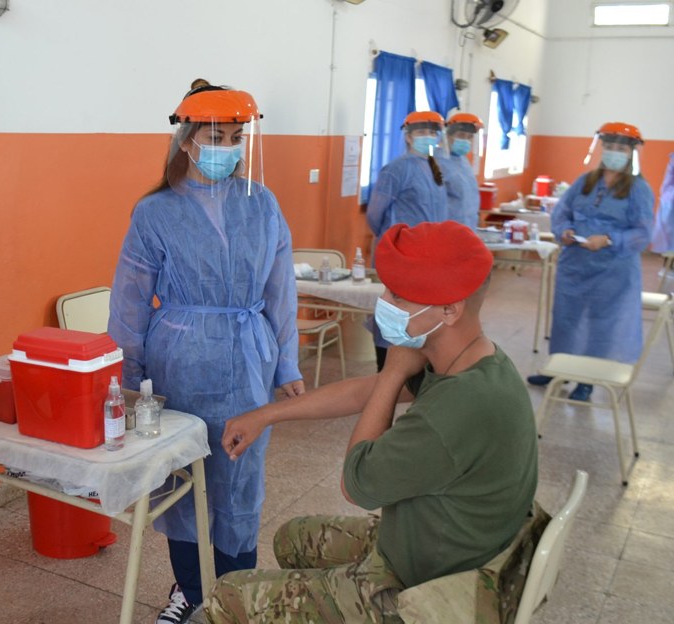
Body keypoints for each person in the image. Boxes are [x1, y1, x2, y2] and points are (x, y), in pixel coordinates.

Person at [208, 221, 538, 623]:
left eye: (397, 296)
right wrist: (266, 414)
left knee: (226, 596)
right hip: (433, 545)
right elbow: (361, 392)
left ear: (450, 310)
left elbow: (356, 484)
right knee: (291, 538)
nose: (384, 301)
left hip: (426, 590)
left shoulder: (456, 409)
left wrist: (393, 372)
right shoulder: (477, 362)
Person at [108, 79, 303, 624]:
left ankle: (237, 596)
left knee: (240, 477)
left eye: (237, 137)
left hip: (249, 357)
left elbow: (280, 290)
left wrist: (287, 362)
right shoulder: (155, 212)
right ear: (187, 139)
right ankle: (191, 593)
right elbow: (129, 302)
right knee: (183, 477)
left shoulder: (262, 204)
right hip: (181, 358)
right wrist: (128, 377)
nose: (228, 148)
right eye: (216, 137)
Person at [527, 122, 654, 402]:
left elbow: (643, 233)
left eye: (620, 148)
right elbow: (562, 212)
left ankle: (587, 381)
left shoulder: (638, 189)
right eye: (609, 146)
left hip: (613, 270)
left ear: (631, 153)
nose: (613, 152)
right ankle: (558, 368)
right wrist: (565, 230)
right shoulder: (585, 182)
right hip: (575, 266)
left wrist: (608, 239)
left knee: (601, 324)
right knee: (566, 318)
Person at [366, 110, 449, 371]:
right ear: (408, 137)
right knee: (394, 313)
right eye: (421, 132)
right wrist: (395, 243)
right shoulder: (396, 169)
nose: (427, 137)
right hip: (400, 256)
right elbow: (375, 214)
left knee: (422, 315)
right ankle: (386, 373)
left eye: (432, 132)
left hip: (427, 257)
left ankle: (413, 372)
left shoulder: (434, 168)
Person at [438, 112, 483, 228]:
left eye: (470, 137)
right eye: (461, 135)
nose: (466, 140)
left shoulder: (463, 161)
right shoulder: (435, 161)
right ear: (447, 136)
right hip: (445, 229)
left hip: (467, 227)